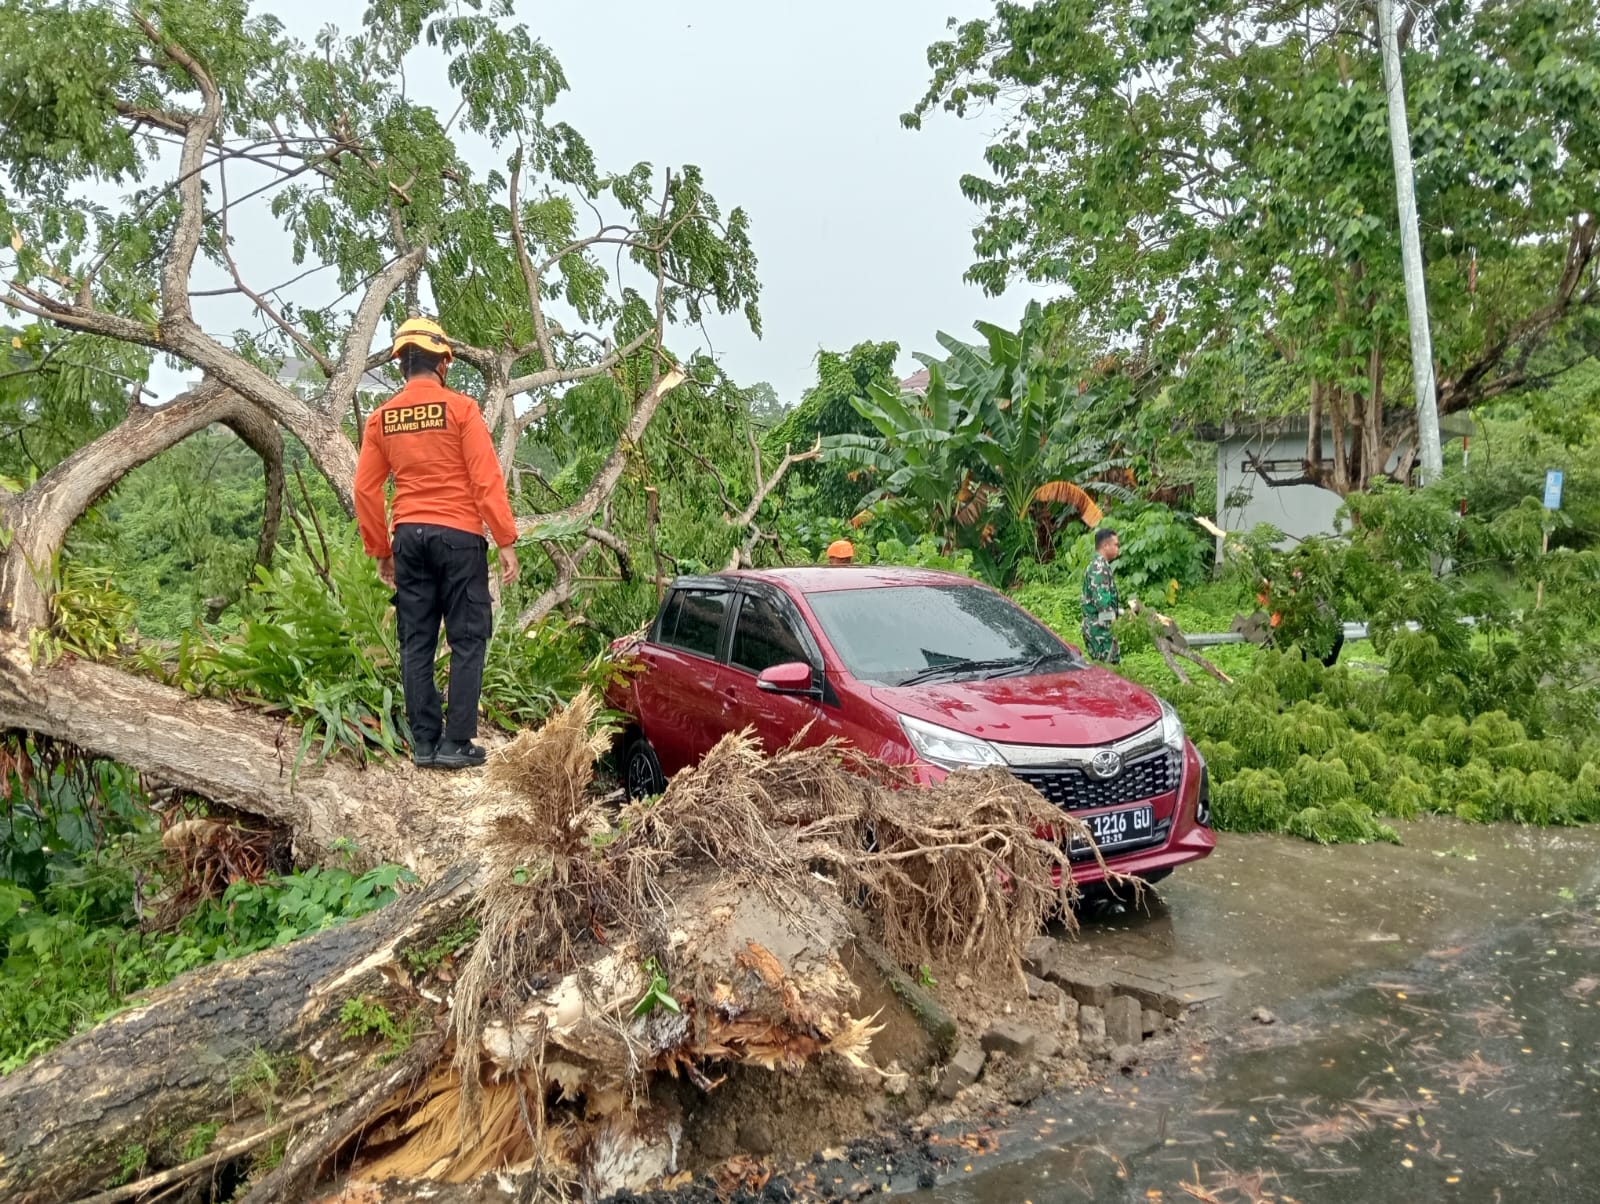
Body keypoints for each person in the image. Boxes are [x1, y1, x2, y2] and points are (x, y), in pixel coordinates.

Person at [354, 317, 520, 770]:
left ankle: (424, 743)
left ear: (401, 366)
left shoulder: (382, 418)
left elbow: (365, 491)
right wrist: (505, 539)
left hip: (409, 537)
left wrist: (381, 550)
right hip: (461, 537)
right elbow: (486, 480)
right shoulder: (462, 410)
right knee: (468, 638)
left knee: (416, 639)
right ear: (443, 363)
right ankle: (457, 743)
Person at [1081, 526, 1127, 664]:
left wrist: (1120, 612)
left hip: (1099, 626)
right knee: (1108, 671)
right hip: (1100, 629)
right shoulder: (1099, 568)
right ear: (1106, 546)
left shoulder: (1098, 565)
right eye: (1116, 545)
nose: (1118, 548)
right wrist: (1116, 625)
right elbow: (1102, 604)